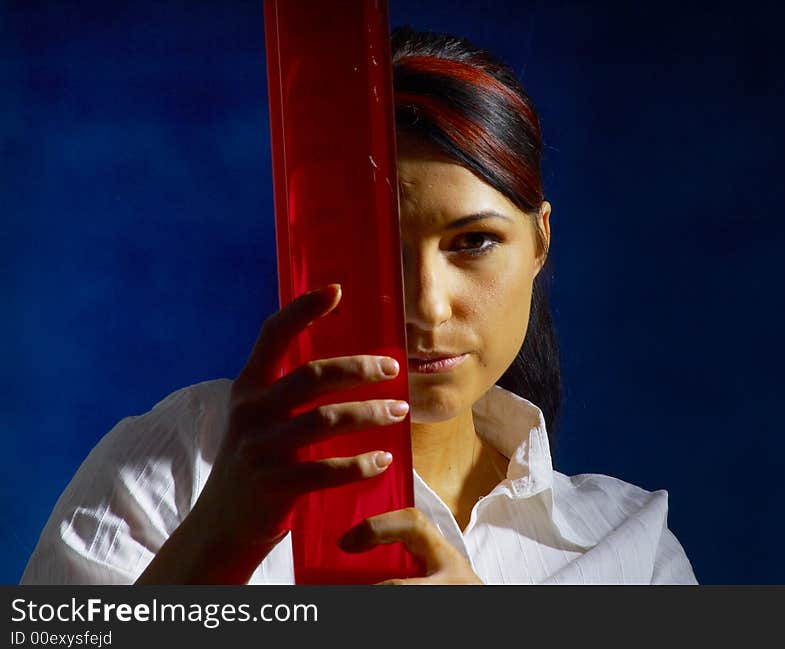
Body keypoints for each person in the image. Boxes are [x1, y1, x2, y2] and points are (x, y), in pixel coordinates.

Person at [20, 27, 697, 585]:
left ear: (540, 240)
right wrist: (219, 536)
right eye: (377, 248)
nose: (427, 306)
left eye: (474, 242)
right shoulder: (182, 465)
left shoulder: (630, 549)